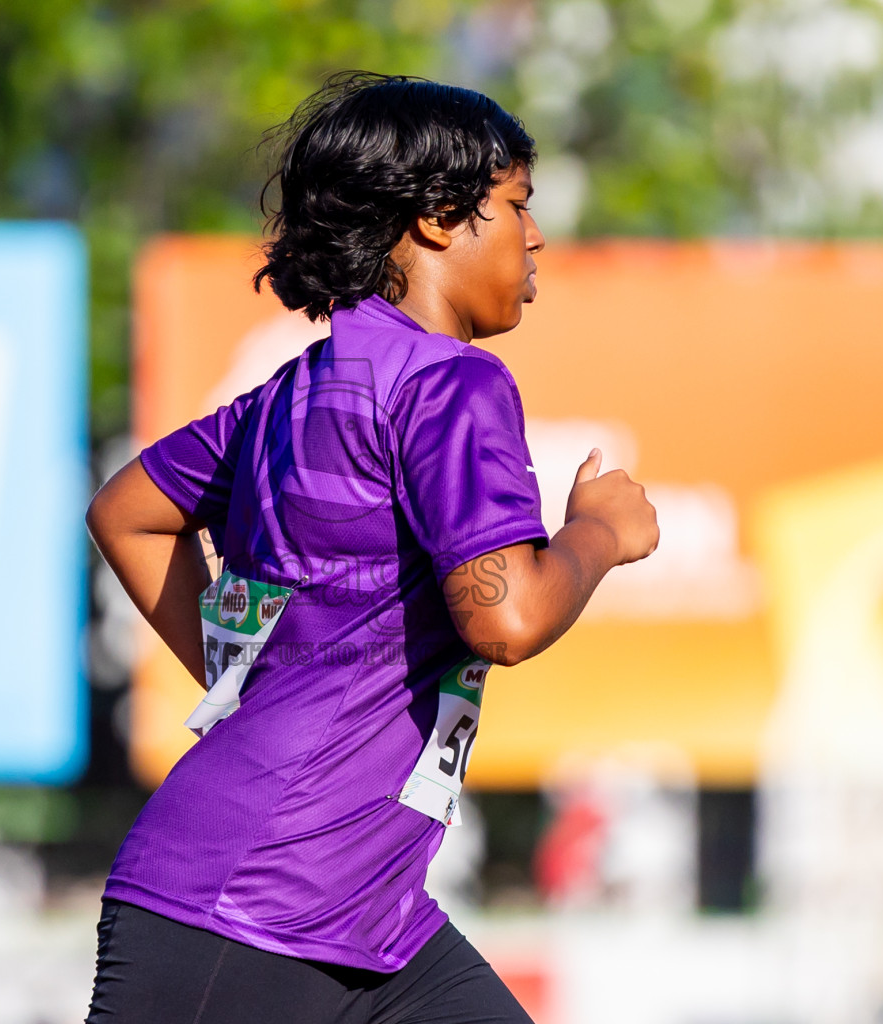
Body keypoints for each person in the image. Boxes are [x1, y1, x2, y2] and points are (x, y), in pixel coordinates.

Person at [84, 72, 658, 1024]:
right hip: (253, 912)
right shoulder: (455, 384)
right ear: (439, 217)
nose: (536, 235)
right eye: (516, 204)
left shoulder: (296, 389)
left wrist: (250, 693)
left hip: (368, 923)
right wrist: (597, 533)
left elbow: (127, 514)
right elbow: (506, 617)